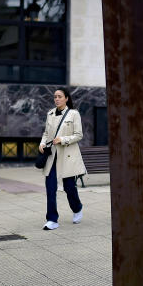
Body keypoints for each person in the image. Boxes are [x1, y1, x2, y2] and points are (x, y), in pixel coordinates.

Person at [39, 88, 86, 230]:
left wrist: (63, 139)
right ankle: (52, 219)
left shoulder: (74, 114)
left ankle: (77, 208)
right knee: (50, 187)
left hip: (67, 156)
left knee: (69, 187)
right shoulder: (50, 114)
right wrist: (42, 143)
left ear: (66, 98)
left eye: (60, 96)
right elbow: (46, 133)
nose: (57, 99)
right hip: (52, 156)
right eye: (55, 97)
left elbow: (79, 135)